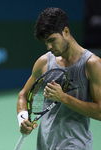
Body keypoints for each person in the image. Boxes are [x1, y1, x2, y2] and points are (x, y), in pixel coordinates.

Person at [17, 7, 101, 150]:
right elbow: (24, 95)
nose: (49, 46)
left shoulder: (92, 64)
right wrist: (23, 119)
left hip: (75, 144)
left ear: (66, 32)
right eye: (45, 42)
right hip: (45, 144)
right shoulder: (44, 62)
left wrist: (63, 98)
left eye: (52, 40)